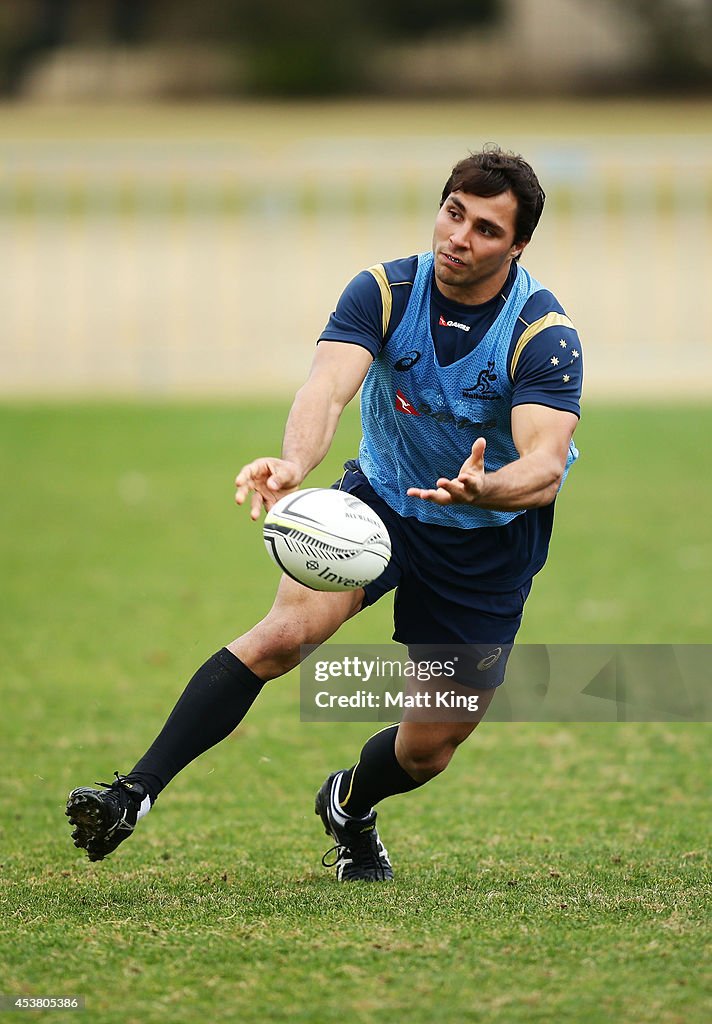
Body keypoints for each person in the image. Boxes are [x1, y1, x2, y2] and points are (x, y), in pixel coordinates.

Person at [66, 146, 583, 882]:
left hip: (486, 538)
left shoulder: (542, 334)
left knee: (427, 748)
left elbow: (542, 468)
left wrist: (484, 488)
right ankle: (132, 794)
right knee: (286, 634)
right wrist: (292, 464)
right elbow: (326, 388)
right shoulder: (384, 291)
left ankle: (350, 802)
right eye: (452, 212)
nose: (458, 237)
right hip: (379, 503)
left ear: (518, 245)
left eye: (486, 229)